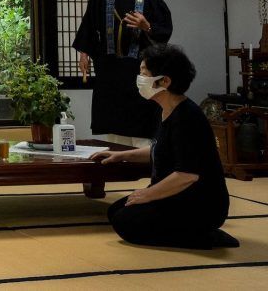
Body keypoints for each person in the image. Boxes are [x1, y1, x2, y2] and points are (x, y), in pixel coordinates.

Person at [92, 44, 238, 249]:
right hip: (174, 195)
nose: (139, 78)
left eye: (144, 73)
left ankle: (203, 235)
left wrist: (146, 194)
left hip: (197, 203)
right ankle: (195, 231)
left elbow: (187, 175)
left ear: (165, 81)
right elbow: (159, 150)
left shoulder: (187, 117)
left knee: (125, 222)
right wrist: (122, 155)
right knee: (115, 211)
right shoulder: (165, 109)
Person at [73, 0, 172, 146]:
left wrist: (147, 26)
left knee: (141, 114)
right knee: (112, 117)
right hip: (109, 68)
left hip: (139, 67)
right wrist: (84, 55)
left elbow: (165, 29)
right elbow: (88, 27)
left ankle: (143, 157)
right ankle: (116, 154)